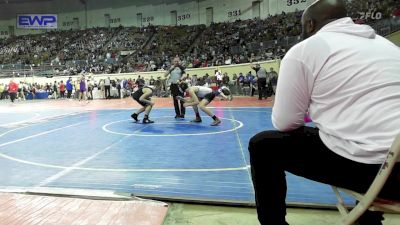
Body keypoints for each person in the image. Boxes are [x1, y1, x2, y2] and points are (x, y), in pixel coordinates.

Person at [248, 1, 400, 225]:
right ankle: (368, 219)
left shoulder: (304, 50)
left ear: (310, 24)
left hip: (373, 174)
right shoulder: (388, 46)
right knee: (367, 136)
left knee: (263, 146)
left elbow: (285, 122)